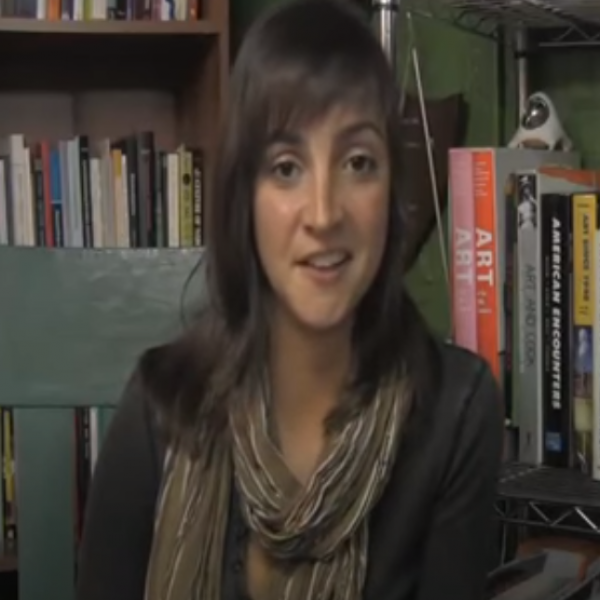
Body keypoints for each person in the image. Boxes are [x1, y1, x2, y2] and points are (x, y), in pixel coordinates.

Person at [76, 0, 504, 599]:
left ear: (392, 193)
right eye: (285, 167)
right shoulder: (161, 407)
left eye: (358, 162)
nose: (325, 214)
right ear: (242, 197)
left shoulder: (456, 413)